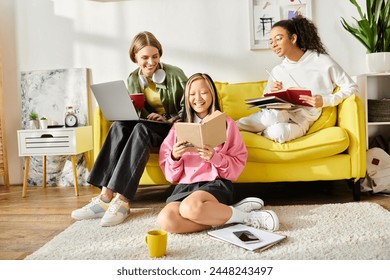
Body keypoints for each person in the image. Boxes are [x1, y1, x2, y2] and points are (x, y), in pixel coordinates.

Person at [71, 31, 188, 227]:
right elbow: (136, 111)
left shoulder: (176, 74)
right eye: (145, 57)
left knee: (141, 128)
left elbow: (189, 108)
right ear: (134, 57)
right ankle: (105, 197)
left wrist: (166, 118)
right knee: (119, 125)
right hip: (145, 127)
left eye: (155, 56)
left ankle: (123, 201)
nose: (151, 62)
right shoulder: (133, 78)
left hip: (170, 129)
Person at [157, 73, 279, 234]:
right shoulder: (178, 127)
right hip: (185, 186)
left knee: (189, 208)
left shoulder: (226, 123)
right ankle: (227, 215)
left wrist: (214, 157)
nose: (198, 98)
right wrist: (174, 156)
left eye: (203, 92)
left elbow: (237, 163)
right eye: (192, 94)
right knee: (166, 221)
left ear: (212, 94)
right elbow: (170, 174)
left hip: (215, 184)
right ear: (186, 98)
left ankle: (248, 218)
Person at [236, 16, 358, 143]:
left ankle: (262, 132)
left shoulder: (321, 61)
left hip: (302, 120)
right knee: (271, 116)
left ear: (293, 38)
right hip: (280, 114)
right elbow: (265, 105)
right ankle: (229, 127)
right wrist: (272, 93)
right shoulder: (278, 70)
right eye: (271, 41)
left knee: (279, 133)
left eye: (278, 39)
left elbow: (352, 87)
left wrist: (325, 101)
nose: (274, 45)